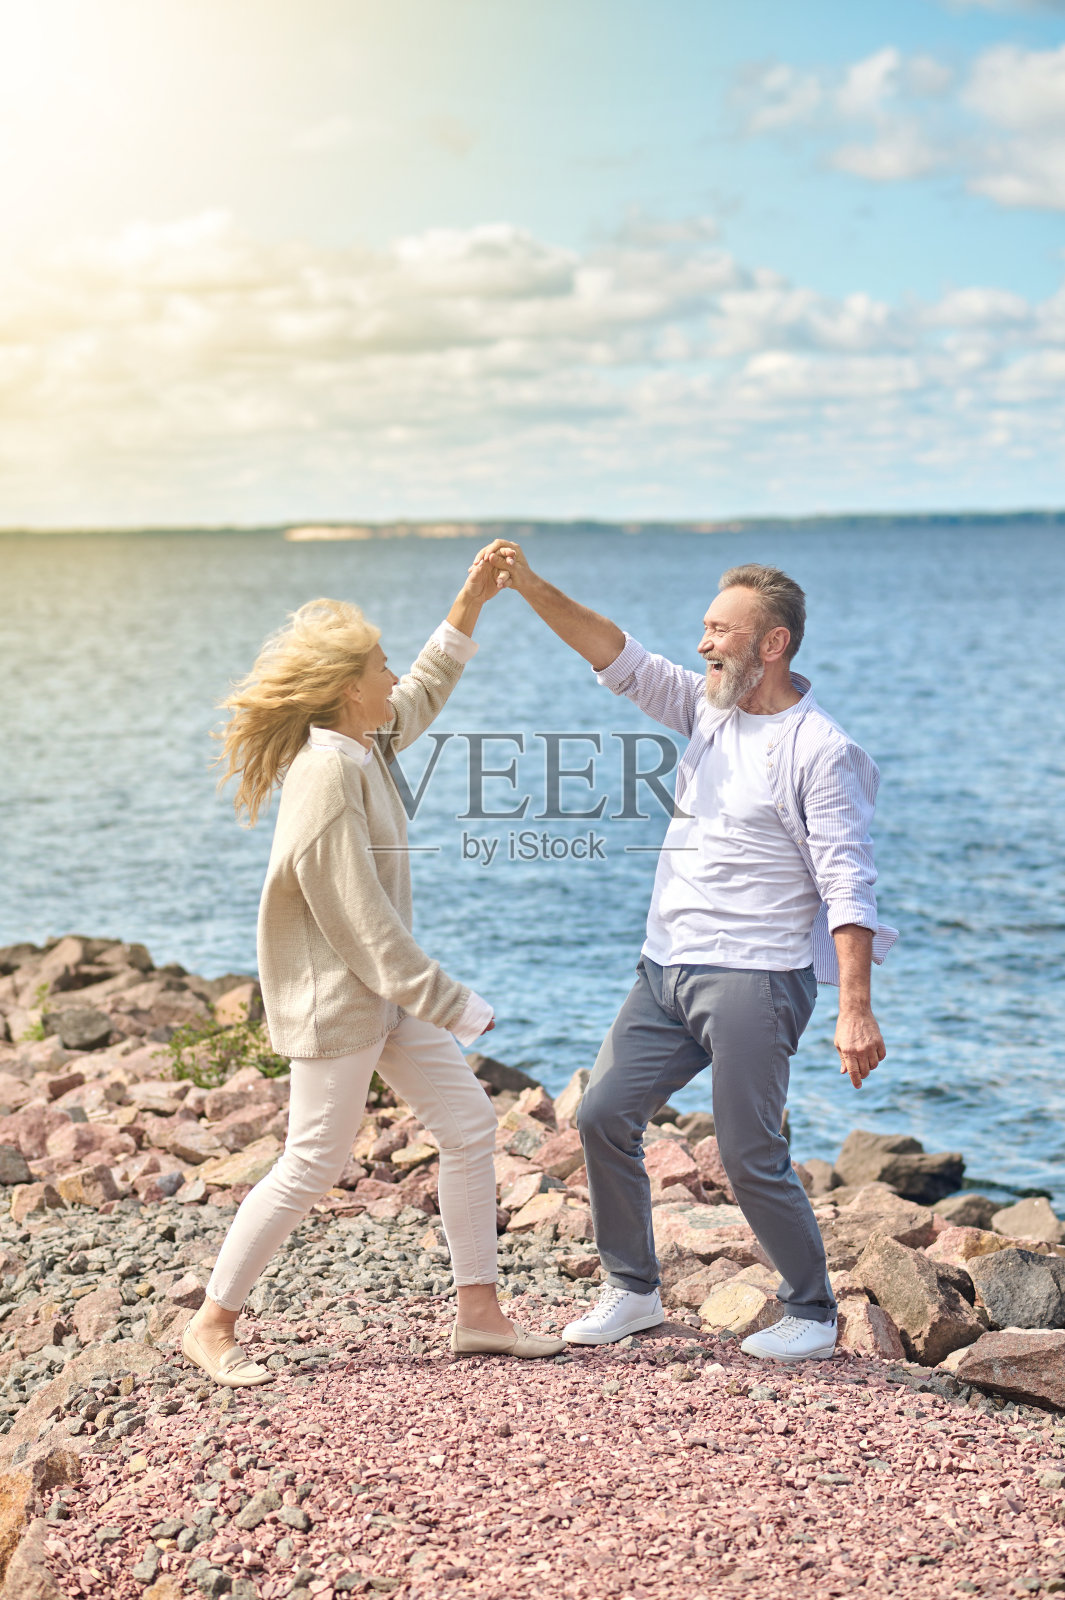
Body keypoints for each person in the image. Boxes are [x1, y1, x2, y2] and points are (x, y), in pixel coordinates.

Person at [477, 542, 896, 1363]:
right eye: (703, 628)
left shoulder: (820, 750)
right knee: (601, 1115)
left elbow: (848, 883)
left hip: (755, 977)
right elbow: (617, 654)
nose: (702, 643)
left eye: (719, 630)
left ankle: (811, 1311)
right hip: (664, 968)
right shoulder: (710, 708)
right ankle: (632, 1291)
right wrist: (526, 585)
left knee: (747, 1154)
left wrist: (854, 1009)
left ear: (771, 643)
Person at [181, 562, 564, 1386]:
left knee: (469, 1129)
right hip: (339, 1001)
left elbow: (420, 691)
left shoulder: (362, 744)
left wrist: (469, 602)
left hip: (383, 996)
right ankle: (210, 1324)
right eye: (379, 666)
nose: (392, 675)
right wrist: (451, 1002)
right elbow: (356, 919)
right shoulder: (326, 774)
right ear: (347, 690)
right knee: (311, 1163)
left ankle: (479, 1316)